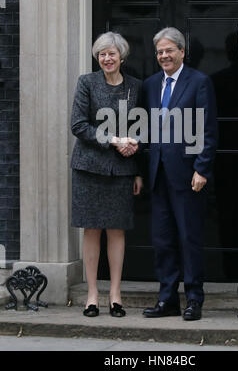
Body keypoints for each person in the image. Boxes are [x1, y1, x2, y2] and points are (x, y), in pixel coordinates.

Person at [141, 27, 217, 321]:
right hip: (158, 175)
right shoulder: (150, 85)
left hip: (188, 176)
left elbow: (207, 130)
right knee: (163, 241)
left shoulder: (199, 82)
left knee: (189, 238)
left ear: (182, 52)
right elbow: (144, 130)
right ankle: (167, 299)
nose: (164, 56)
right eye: (160, 52)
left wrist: (202, 168)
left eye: (169, 50)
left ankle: (194, 299)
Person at [70, 32, 142, 318]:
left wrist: (135, 150)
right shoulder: (86, 83)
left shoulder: (135, 86)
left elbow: (140, 125)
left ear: (121, 56)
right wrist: (115, 140)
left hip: (123, 169)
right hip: (89, 167)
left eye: (111, 53)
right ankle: (91, 295)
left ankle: (115, 294)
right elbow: (78, 125)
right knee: (91, 229)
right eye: (101, 54)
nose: (106, 59)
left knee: (116, 230)